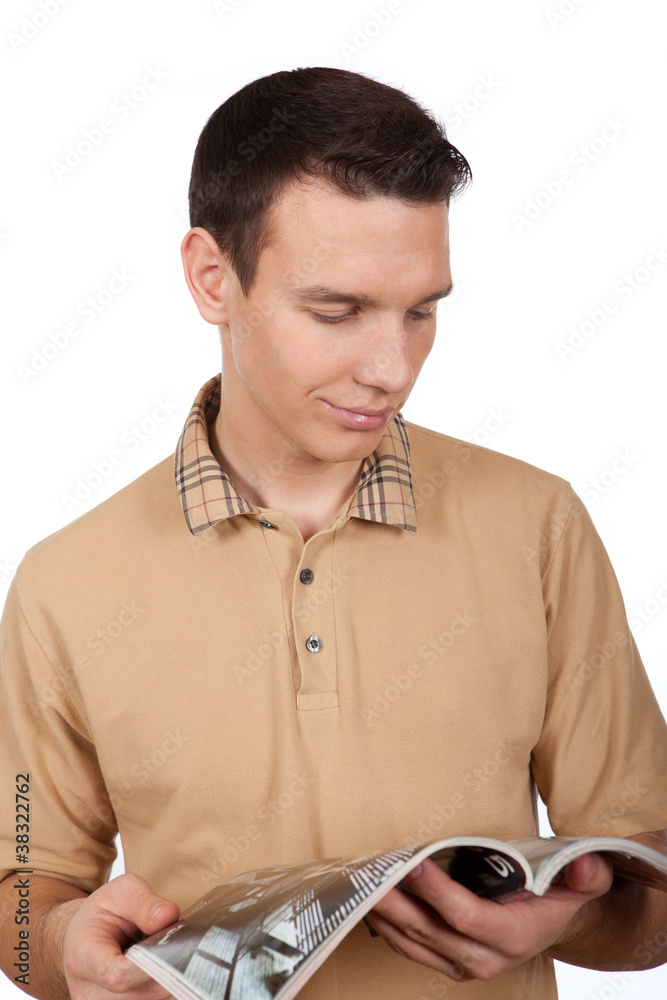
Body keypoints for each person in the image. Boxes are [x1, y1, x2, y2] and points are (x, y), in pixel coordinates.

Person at [1, 65, 667, 1000]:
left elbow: (648, 884)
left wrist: (574, 920)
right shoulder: (64, 584)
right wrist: (61, 944)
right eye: (337, 311)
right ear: (211, 278)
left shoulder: (539, 526)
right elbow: (20, 888)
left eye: (421, 310)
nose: (392, 367)